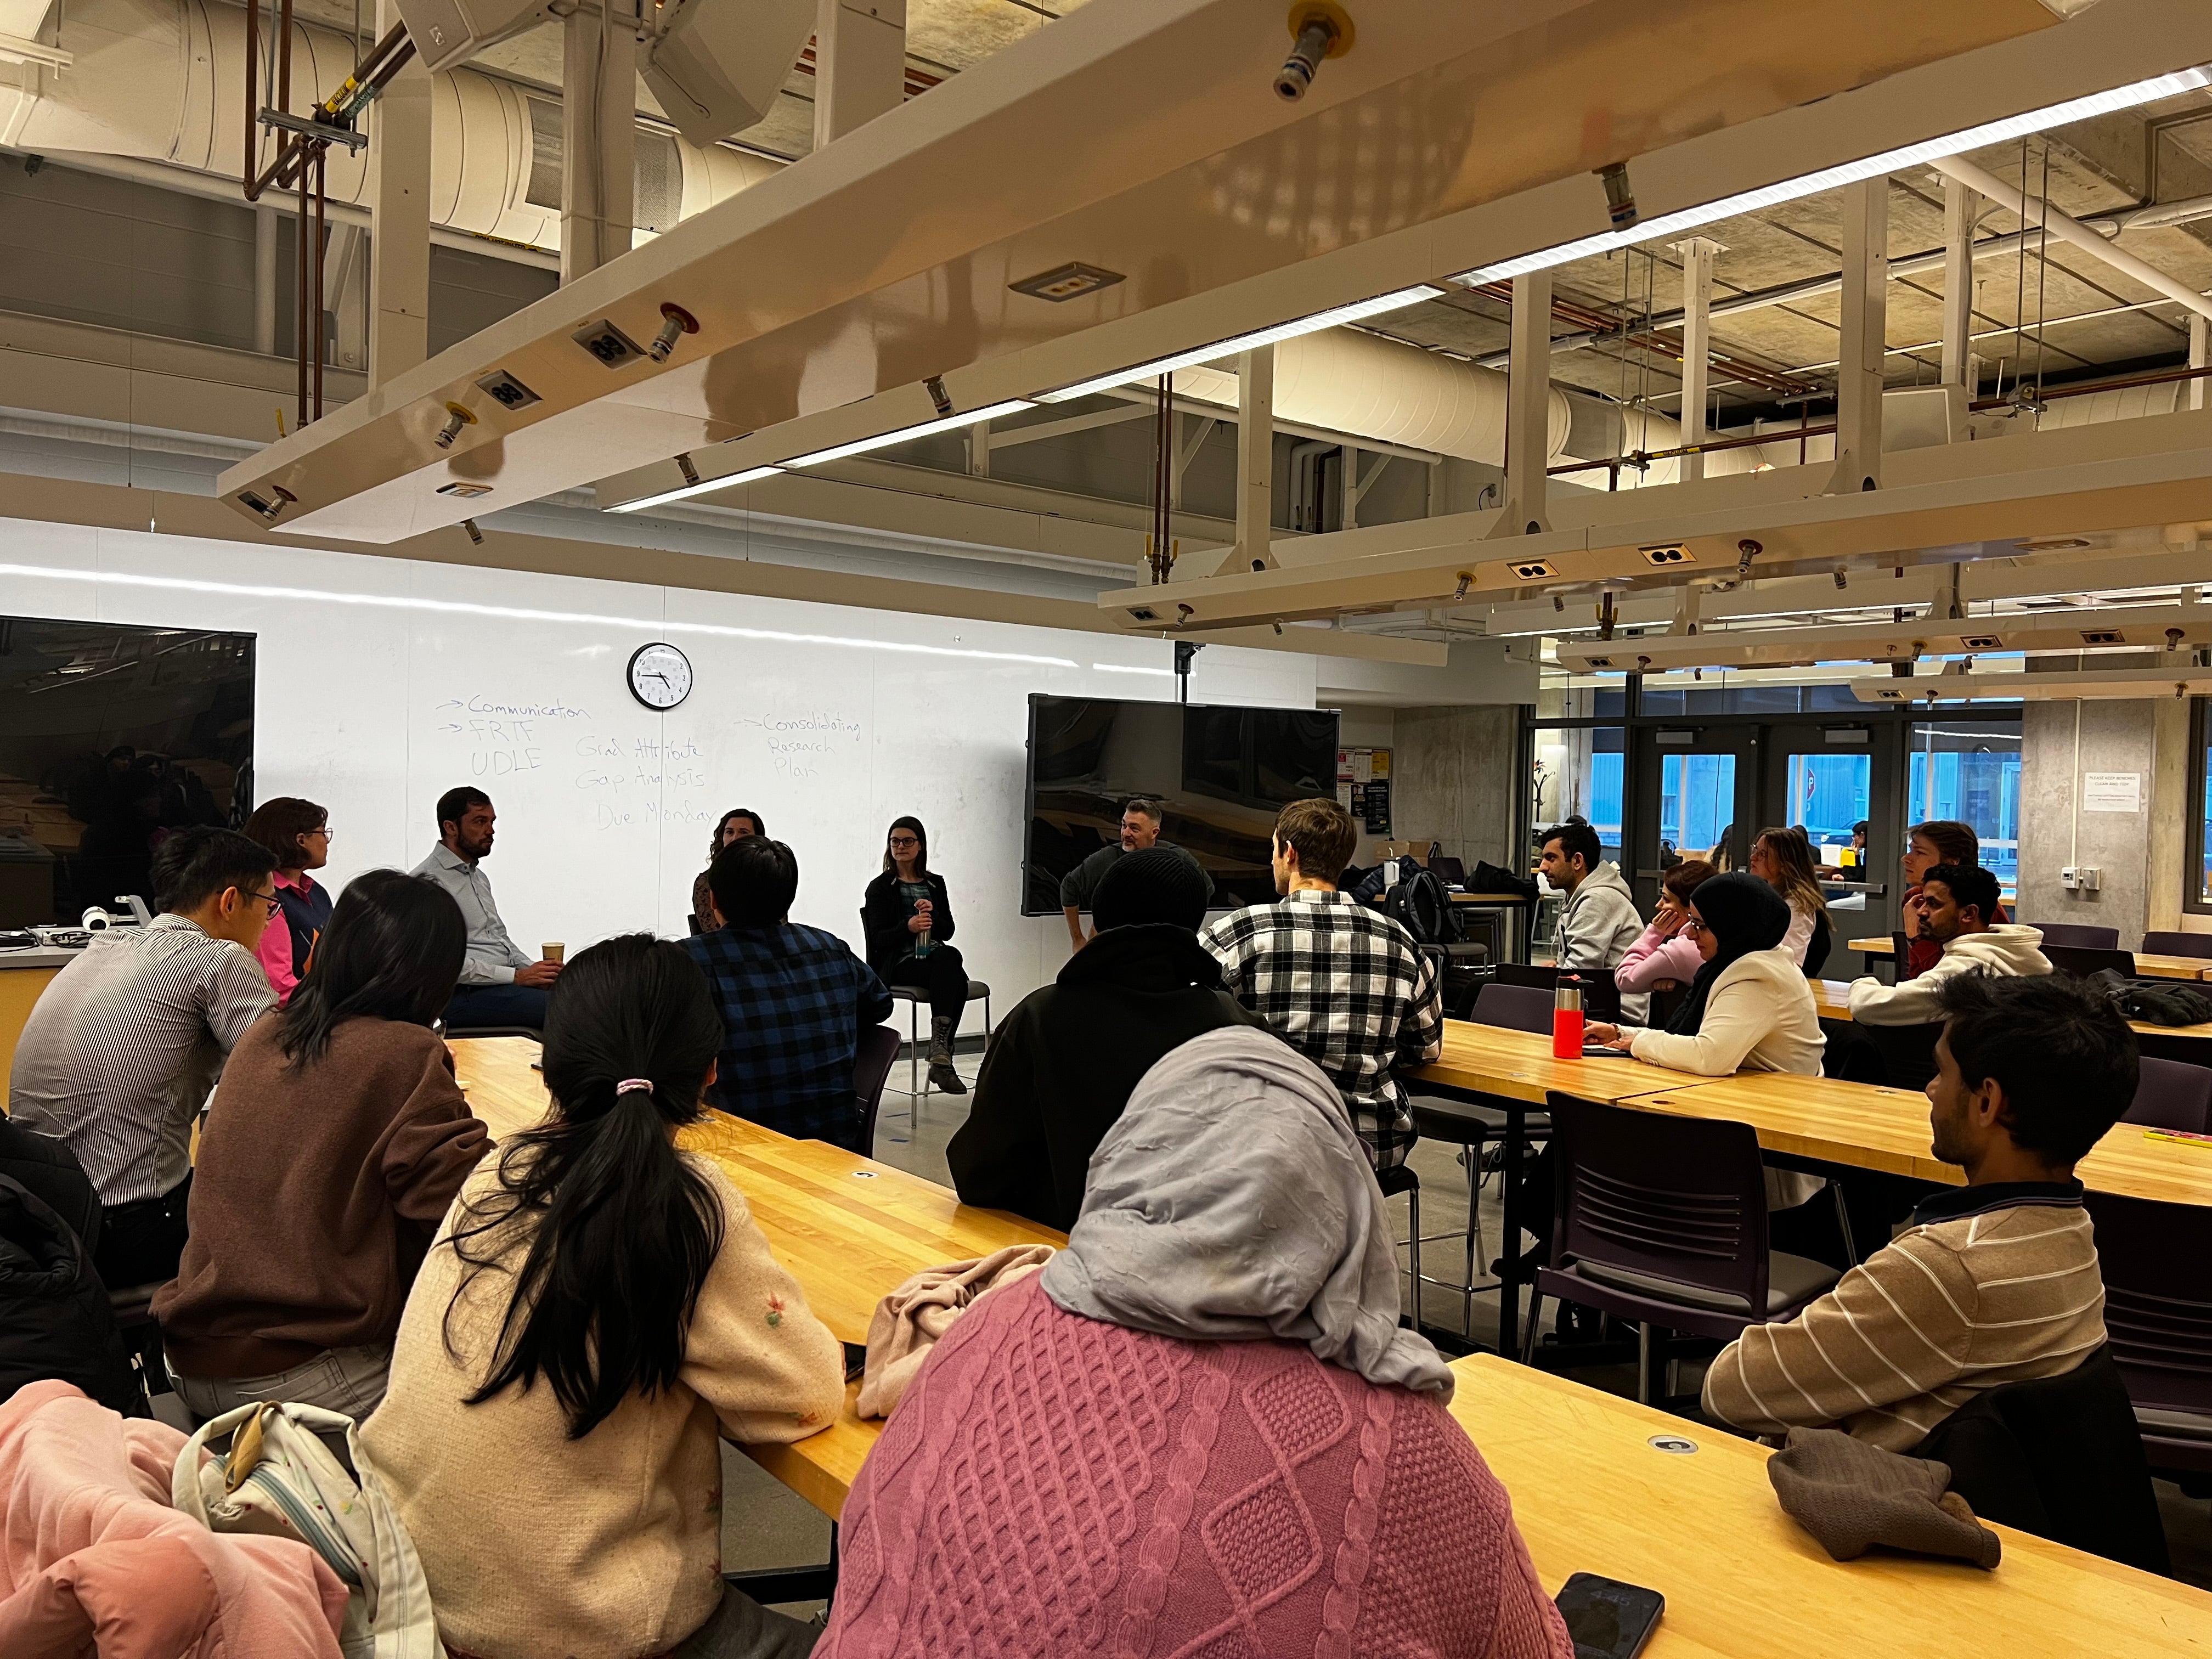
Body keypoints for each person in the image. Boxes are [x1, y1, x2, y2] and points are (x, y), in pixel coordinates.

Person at [814, 1027, 1575, 1659]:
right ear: (1339, 1194)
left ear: (1127, 1156)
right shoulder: (1395, 1439)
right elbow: (1535, 1647)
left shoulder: (987, 1328)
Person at [361, 934, 846, 1659]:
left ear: (550, 1066)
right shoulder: (687, 1201)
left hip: (413, 1593)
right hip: (581, 1625)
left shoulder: (502, 1170)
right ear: (711, 1072)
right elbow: (805, 1394)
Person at [1702, 972, 2130, 1452]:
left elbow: (1730, 1388)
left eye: (1942, 1073)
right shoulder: (2073, 1230)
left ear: (1987, 1102)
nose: (1930, 1089)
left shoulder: (1948, 1267)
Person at [154, 870, 489, 1421]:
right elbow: (466, 1214)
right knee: (514, 1388)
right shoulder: (404, 1053)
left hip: (192, 1355)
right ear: (433, 974)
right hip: (299, 1372)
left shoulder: (267, 1032)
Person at [9, 827, 278, 1289]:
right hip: (126, 1229)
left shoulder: (102, 949)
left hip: (35, 1215)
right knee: (282, 1225)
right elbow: (291, 1078)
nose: (272, 921)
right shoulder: (219, 960)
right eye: (269, 906)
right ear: (230, 902)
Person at [947, 847, 1264, 1230]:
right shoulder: (1241, 1030)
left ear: (1100, 918)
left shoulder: (1039, 1019)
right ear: (1192, 924)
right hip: (1206, 1274)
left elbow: (977, 1175)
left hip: (1063, 1264)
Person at [1198, 797, 1442, 1169]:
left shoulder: (1240, 931)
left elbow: (1189, 1022)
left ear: (1290, 853)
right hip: (1370, 1147)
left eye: (1274, 850)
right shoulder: (1398, 939)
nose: (1272, 861)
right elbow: (1425, 1048)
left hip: (1263, 1144)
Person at [685, 835, 893, 1149]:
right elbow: (880, 1005)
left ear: (712, 900)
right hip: (834, 1152)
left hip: (738, 1152)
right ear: (789, 898)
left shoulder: (690, 961)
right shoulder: (831, 948)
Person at [1585, 872, 1825, 1081]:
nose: (1689, 934)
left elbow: (1707, 1056)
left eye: (1701, 926)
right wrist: (1623, 1034)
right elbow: (1696, 1043)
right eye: (1691, 921)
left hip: (1780, 1111)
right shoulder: (1742, 961)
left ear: (1733, 928)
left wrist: (1637, 1042)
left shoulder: (1759, 977)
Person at [412, 787, 561, 1030]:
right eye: (480, 822)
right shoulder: (428, 883)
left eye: (492, 822)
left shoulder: (478, 877)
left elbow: (500, 941)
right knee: (569, 1011)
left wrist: (537, 973)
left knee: (584, 997)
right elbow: (442, 964)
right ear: (451, 828)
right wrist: (518, 977)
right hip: (463, 996)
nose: (490, 830)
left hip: (501, 988)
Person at [1847, 864, 2050, 1025]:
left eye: (1934, 904)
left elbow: (1869, 1007)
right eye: (1923, 902)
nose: (1921, 912)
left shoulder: (1966, 971)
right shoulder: (2017, 953)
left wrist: (1864, 981)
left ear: (1969, 914)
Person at [860, 816, 971, 1096]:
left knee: (950, 958)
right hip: (898, 964)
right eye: (895, 841)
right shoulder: (881, 887)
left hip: (933, 960)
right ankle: (942, 1058)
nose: (900, 846)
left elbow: (948, 931)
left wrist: (931, 915)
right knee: (955, 973)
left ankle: (940, 1056)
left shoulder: (934, 884)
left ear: (920, 845)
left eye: (907, 841)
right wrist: (907, 927)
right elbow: (878, 939)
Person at [1058, 798, 1213, 952]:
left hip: (1156, 949)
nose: (1126, 833)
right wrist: (1077, 940)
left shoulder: (1176, 859)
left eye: (1134, 828)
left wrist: (1184, 930)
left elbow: (1206, 888)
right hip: (1109, 950)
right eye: (1124, 825)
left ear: (1154, 833)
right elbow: (1069, 886)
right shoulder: (1108, 858)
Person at [1539, 820, 1646, 1022]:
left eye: (1551, 859)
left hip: (1616, 1013)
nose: (1543, 867)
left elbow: (1580, 971)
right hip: (1591, 1002)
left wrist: (1542, 983)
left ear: (1577, 862)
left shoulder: (1598, 900)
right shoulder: (1580, 897)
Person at [240, 796, 334, 1006]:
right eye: (322, 832)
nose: (327, 841)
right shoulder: (268, 899)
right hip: (296, 1019)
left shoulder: (316, 892)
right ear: (300, 840)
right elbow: (279, 988)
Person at [1900, 819, 2007, 978]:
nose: (1906, 859)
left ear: (1951, 862)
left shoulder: (1979, 906)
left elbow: (1951, 977)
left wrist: (1916, 938)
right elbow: (1917, 974)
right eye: (1911, 851)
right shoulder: (1914, 899)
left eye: (1920, 852)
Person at [1613, 858, 1718, 997]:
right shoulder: (1723, 933)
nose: (1658, 905)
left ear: (1692, 908)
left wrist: (1655, 933)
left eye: (1666, 899)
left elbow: (1624, 979)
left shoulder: (1682, 950)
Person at [1751, 825, 1832, 975]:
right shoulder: (1770, 897)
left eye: (1763, 854)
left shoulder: (1797, 905)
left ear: (1784, 863)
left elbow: (1788, 963)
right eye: (1755, 850)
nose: (1753, 857)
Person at [690, 807, 765, 936]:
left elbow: (779, 925)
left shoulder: (770, 876)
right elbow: (714, 933)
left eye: (743, 832)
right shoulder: (707, 882)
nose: (735, 838)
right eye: (729, 832)